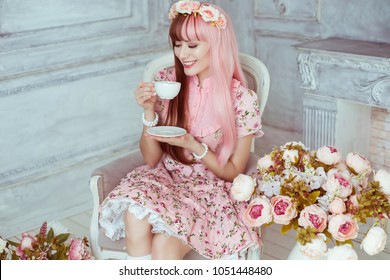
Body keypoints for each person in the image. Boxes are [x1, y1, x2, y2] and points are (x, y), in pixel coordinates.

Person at [99, 0, 264, 260]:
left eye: (192, 45)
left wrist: (193, 145)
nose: (182, 54)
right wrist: (149, 111)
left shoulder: (241, 99)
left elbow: (233, 173)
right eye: (177, 44)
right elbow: (152, 159)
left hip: (209, 191)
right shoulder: (167, 82)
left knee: (164, 246)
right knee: (134, 216)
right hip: (167, 180)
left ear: (216, 45)